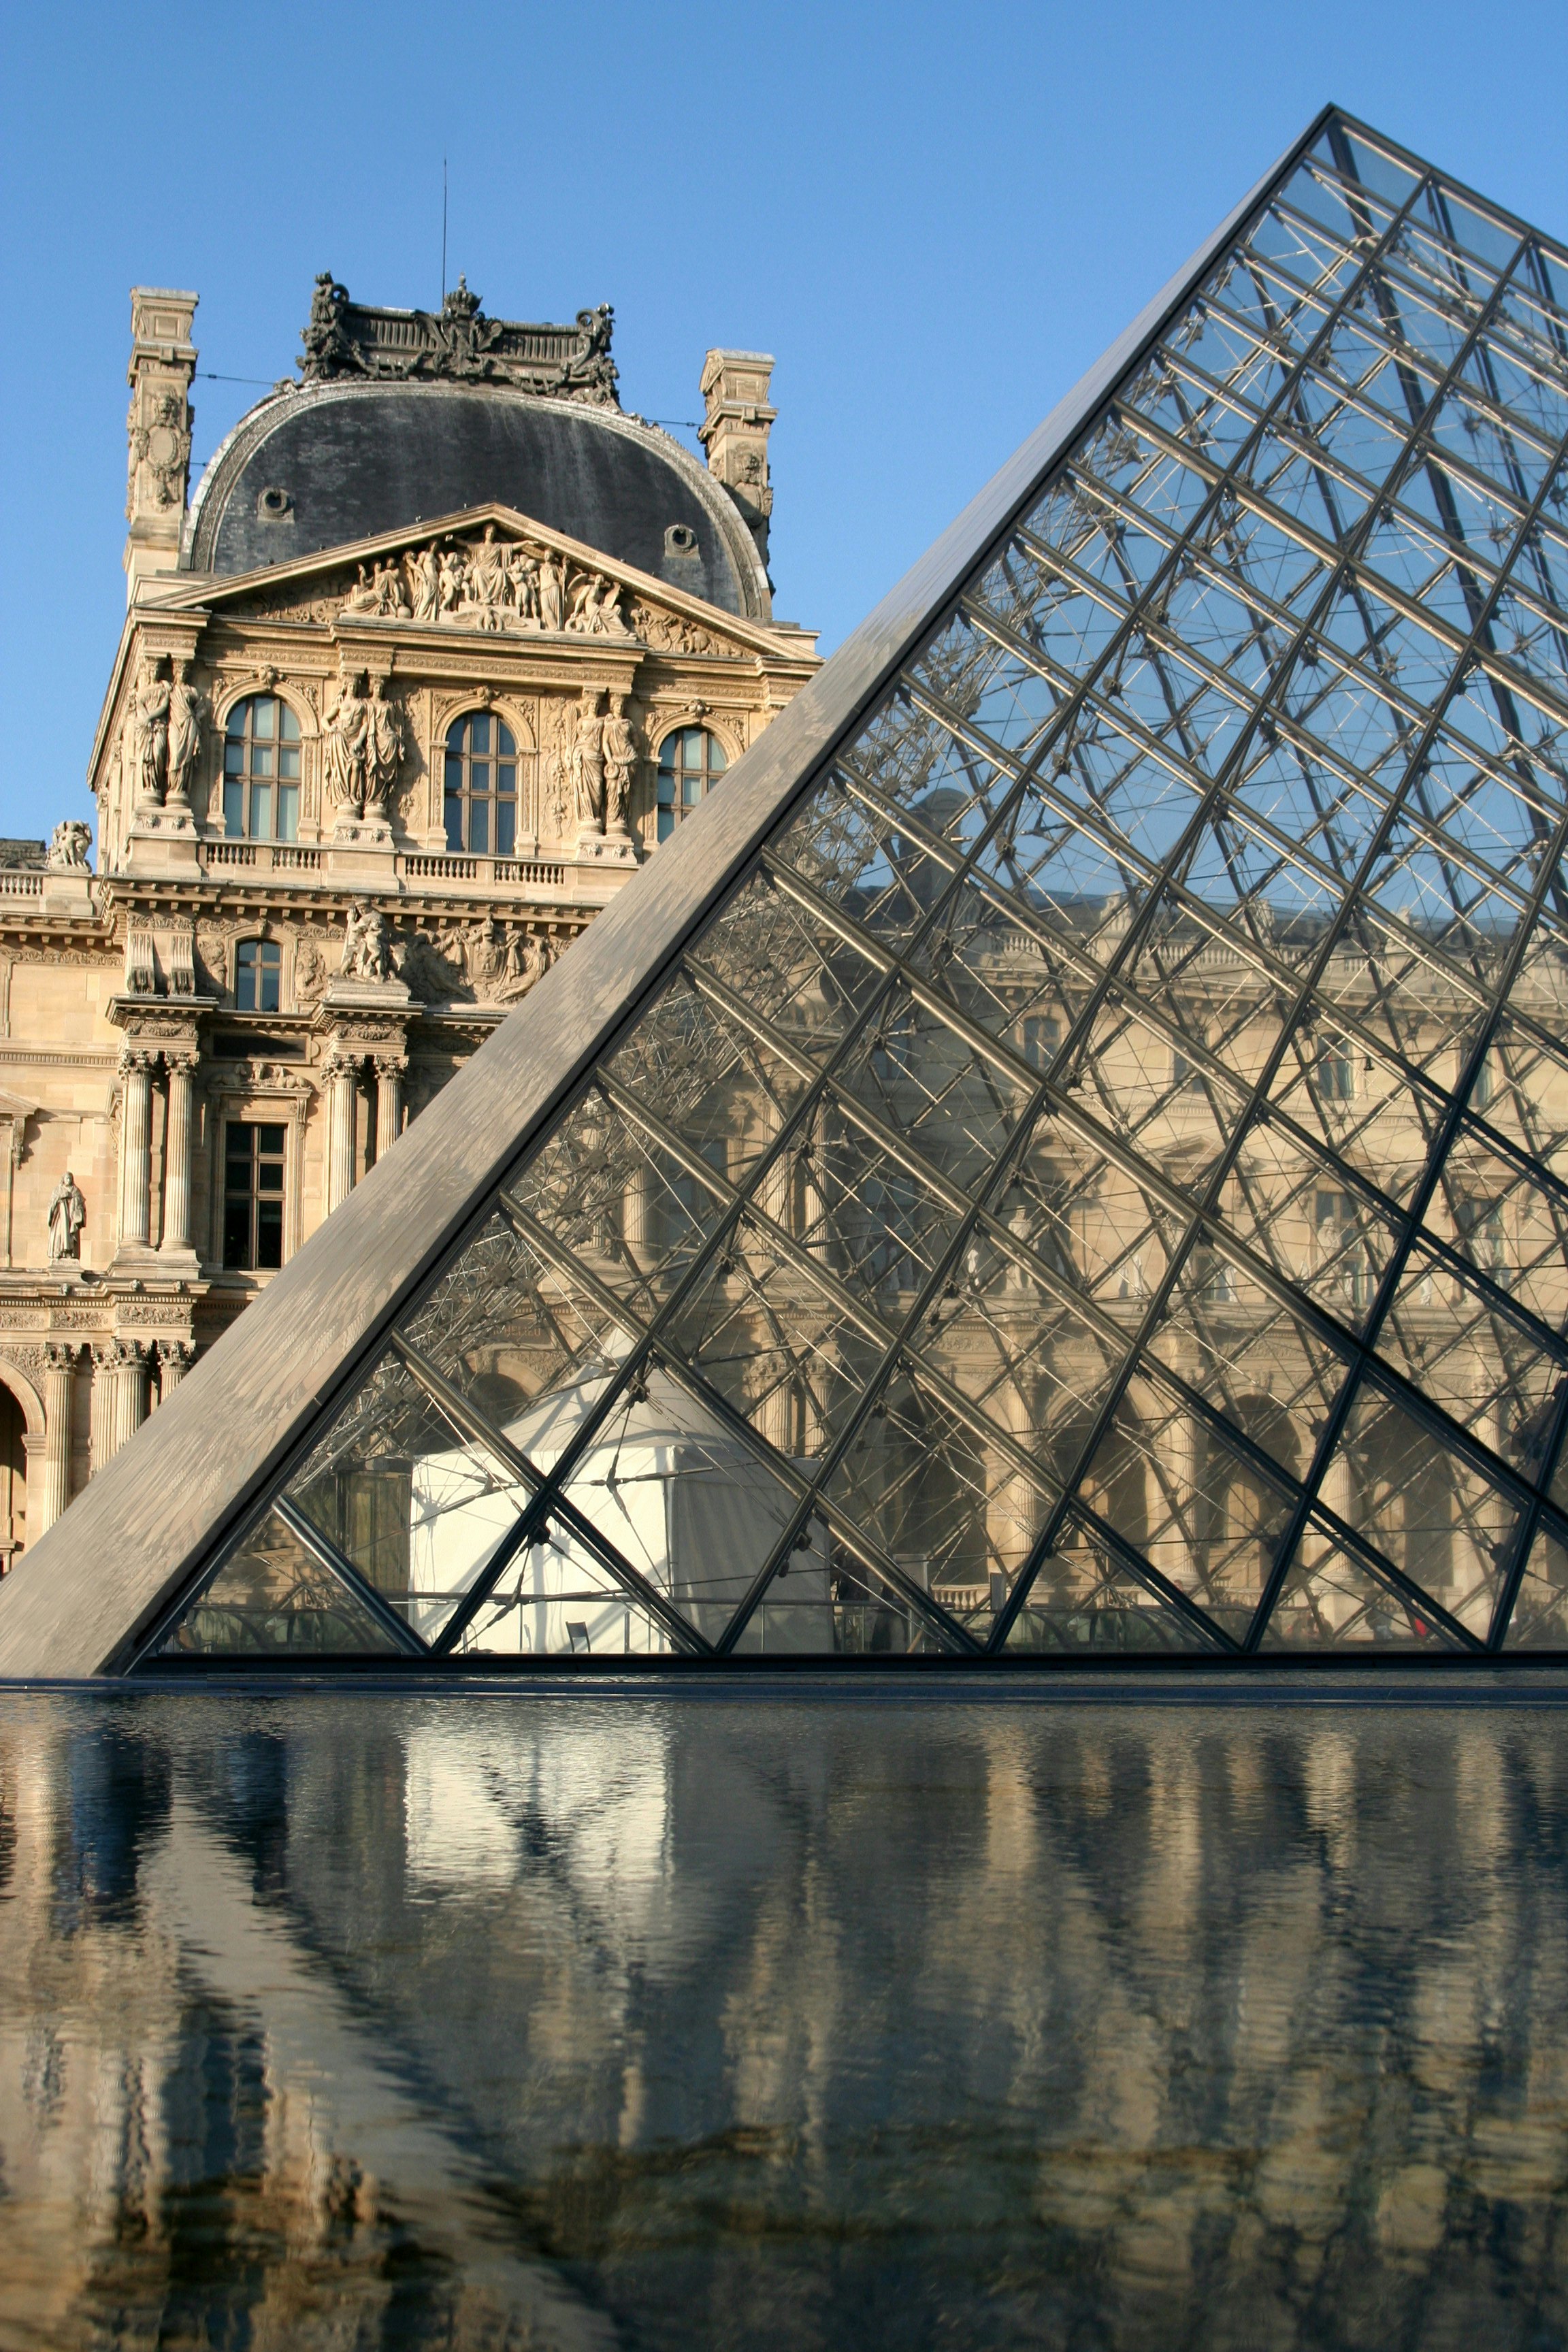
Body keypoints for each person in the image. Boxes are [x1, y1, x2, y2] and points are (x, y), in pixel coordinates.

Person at [47, 1171, 86, 1263]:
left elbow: (81, 1205)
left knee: (70, 1235)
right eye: (67, 1178)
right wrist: (61, 1198)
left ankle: (69, 1253)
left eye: (70, 1178)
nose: (68, 1180)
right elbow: (52, 1203)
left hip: (71, 1219)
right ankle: (58, 1252)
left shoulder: (76, 1191)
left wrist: (77, 1208)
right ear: (63, 1179)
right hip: (60, 1217)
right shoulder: (58, 1190)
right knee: (59, 1234)